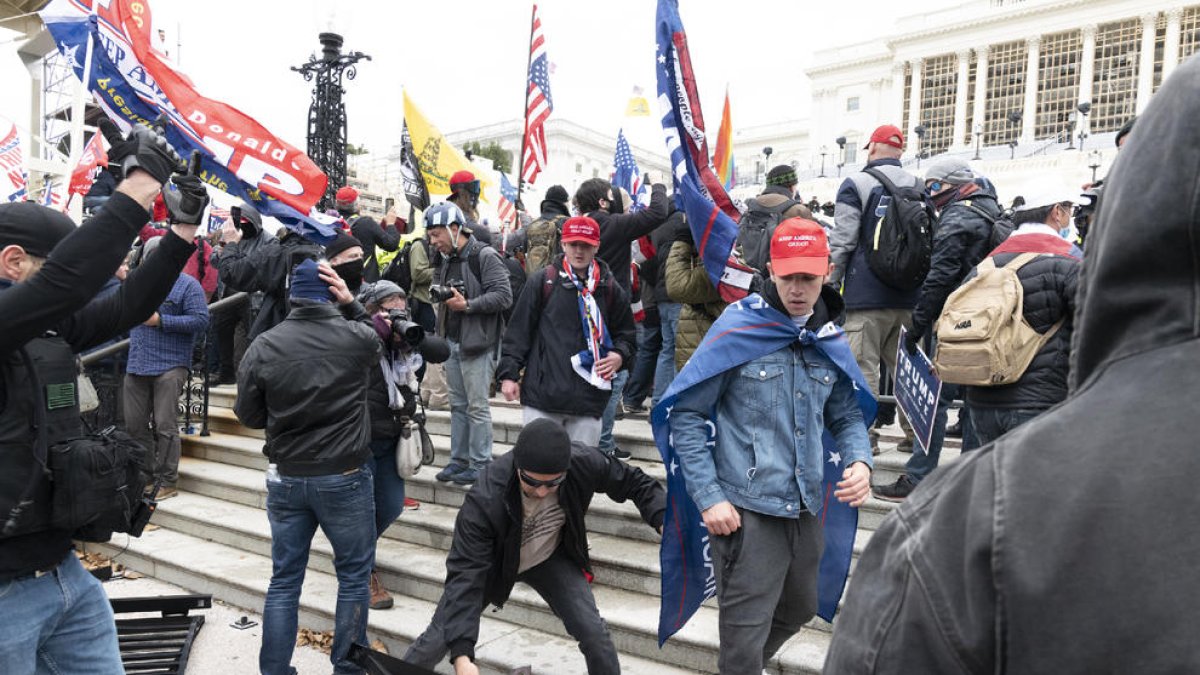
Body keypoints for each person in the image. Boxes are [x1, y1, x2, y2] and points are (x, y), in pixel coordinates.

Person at [823, 55, 1197, 673]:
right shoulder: (1048, 261)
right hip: (1041, 405)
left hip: (996, 410)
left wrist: (920, 327)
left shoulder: (966, 521)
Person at [0, 122, 198, 673]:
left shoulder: (47, 330)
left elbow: (128, 306)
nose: (85, 278)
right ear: (14, 263)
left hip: (63, 574)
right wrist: (134, 191)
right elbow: (65, 282)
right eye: (59, 263)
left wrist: (180, 232)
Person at [670, 218, 872, 675]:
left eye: (808, 277)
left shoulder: (829, 339)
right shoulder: (739, 329)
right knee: (742, 636)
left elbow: (846, 414)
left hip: (804, 508)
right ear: (769, 271)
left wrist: (860, 459)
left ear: (829, 272)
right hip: (746, 514)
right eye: (788, 277)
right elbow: (686, 415)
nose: (798, 288)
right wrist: (710, 497)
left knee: (802, 607)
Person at [404, 419, 666, 675]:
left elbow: (633, 481)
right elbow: (465, 576)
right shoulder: (486, 498)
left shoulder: (582, 462)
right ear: (518, 467)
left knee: (594, 633)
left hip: (550, 557)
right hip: (493, 564)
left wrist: (662, 517)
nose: (542, 492)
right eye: (533, 482)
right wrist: (462, 656)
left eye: (553, 483)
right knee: (436, 640)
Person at [235, 259, 380, 675]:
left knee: (284, 580)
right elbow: (376, 339)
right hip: (344, 475)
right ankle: (347, 669)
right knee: (353, 578)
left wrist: (285, 417)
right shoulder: (355, 337)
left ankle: (275, 670)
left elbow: (248, 414)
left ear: (291, 295)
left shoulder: (264, 344)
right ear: (331, 292)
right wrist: (351, 303)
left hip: (288, 474)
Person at [874, 156, 1001, 501]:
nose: (930, 195)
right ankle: (967, 480)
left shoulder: (959, 215)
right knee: (973, 401)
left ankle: (919, 477)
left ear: (952, 185)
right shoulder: (992, 209)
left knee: (932, 400)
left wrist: (917, 324)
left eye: (933, 187)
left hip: (958, 321)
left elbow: (941, 274)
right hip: (987, 322)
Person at [498, 216, 635, 446]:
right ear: (563, 244)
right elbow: (519, 332)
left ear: (597, 246)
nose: (579, 251)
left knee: (580, 474)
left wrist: (619, 355)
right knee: (538, 470)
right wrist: (509, 375)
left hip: (588, 399)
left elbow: (628, 335)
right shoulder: (543, 281)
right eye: (573, 244)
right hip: (543, 397)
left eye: (586, 245)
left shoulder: (609, 287)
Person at [829, 124, 921, 455]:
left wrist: (830, 283)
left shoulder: (856, 184)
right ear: (900, 151)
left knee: (861, 369)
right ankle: (915, 436)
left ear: (871, 149)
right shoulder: (919, 185)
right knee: (908, 373)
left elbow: (844, 238)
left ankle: (863, 439)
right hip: (909, 296)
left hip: (865, 295)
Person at [965, 189, 1081, 445]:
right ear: (1057, 212)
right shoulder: (1070, 262)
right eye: (1070, 210)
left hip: (982, 401)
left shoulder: (985, 265)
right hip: (1040, 402)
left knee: (996, 483)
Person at [574, 176, 669, 459]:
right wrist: (659, 187)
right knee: (614, 376)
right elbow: (658, 213)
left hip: (579, 311)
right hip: (611, 315)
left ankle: (587, 441)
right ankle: (601, 446)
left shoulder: (578, 226)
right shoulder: (611, 224)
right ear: (603, 202)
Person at [425, 202, 513, 486]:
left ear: (454, 229)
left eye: (436, 234)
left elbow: (504, 296)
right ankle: (458, 461)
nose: (433, 240)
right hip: (451, 341)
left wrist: (469, 305)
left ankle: (480, 464)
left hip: (479, 343)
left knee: (476, 407)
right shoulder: (445, 258)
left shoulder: (483, 255)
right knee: (458, 406)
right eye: (430, 235)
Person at [123, 236, 210, 501]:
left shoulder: (188, 285)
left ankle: (167, 480)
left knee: (165, 425)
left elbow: (201, 320)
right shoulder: (136, 283)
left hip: (171, 364)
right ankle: (145, 477)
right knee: (135, 426)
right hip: (137, 362)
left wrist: (161, 320)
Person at [213, 202, 274, 384]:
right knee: (221, 331)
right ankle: (226, 372)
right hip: (229, 295)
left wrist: (233, 254)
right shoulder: (232, 236)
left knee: (253, 336)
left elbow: (258, 266)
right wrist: (223, 251)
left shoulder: (269, 240)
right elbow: (216, 262)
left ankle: (253, 376)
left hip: (252, 296)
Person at [334, 185, 402, 283]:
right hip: (366, 282)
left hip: (339, 282)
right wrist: (391, 224)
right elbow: (391, 244)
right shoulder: (366, 223)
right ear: (357, 205)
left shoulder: (331, 223)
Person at [447, 170, 492, 245]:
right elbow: (488, 236)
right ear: (462, 193)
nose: (476, 192)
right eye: (474, 187)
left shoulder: (449, 212)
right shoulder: (460, 220)